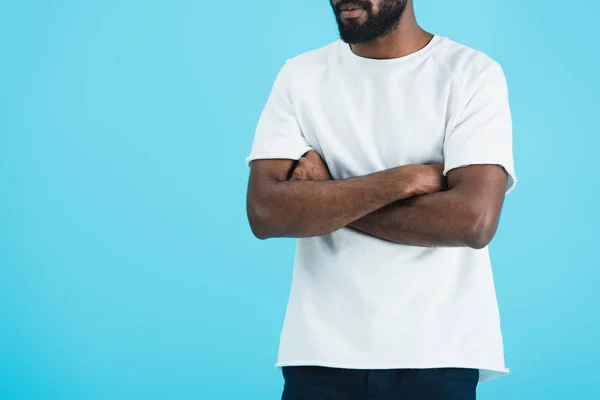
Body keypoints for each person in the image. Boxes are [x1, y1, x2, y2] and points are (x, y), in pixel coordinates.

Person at [245, 0, 517, 398]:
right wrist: (407, 179)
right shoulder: (300, 76)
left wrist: (322, 193)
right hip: (320, 353)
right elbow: (265, 212)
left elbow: (472, 222)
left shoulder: (471, 73)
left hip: (438, 352)